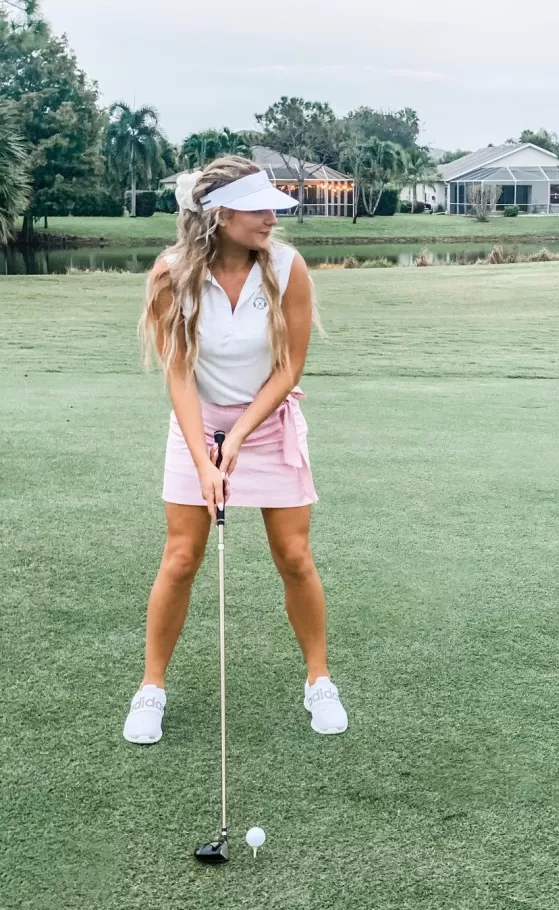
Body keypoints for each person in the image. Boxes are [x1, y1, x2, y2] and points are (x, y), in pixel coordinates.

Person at [123, 157, 348, 744]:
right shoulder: (171, 273)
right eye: (258, 209)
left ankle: (319, 679)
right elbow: (178, 371)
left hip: (268, 422)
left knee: (294, 555)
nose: (272, 218)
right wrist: (204, 457)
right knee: (180, 558)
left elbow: (289, 367)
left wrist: (241, 436)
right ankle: (151, 687)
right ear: (220, 216)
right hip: (195, 423)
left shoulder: (288, 267)